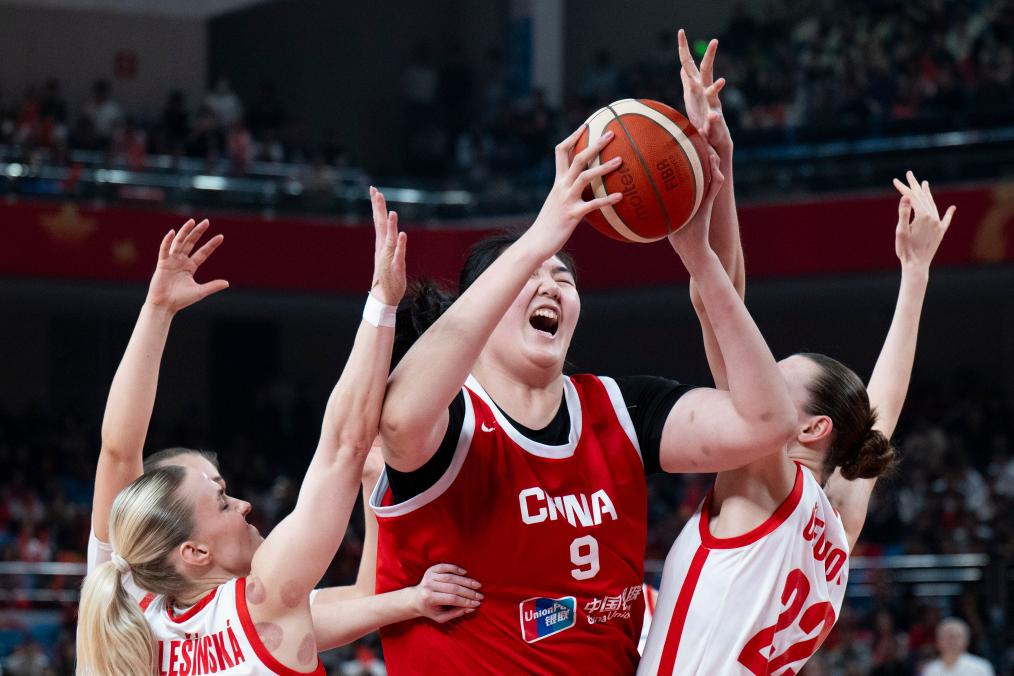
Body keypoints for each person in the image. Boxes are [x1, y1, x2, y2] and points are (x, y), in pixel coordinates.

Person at [372, 103, 800, 669]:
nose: (550, 286)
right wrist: (541, 235)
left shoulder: (620, 408)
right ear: (483, 305)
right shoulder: (451, 419)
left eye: (563, 277)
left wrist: (699, 253)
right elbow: (397, 419)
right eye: (528, 275)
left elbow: (767, 423)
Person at [637, 32, 955, 675]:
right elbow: (881, 409)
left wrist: (717, 176)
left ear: (810, 428)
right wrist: (915, 272)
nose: (753, 386)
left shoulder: (764, 472)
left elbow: (719, 302)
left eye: (774, 382)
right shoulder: (834, 526)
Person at [79, 197, 479, 674]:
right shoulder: (259, 603)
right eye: (223, 502)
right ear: (194, 552)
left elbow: (118, 451)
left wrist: (409, 600)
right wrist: (382, 304)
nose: (244, 505)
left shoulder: (131, 609)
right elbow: (342, 446)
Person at [922, 618, 995, 676]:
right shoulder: (930, 670)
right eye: (947, 636)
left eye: (956, 637)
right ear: (938, 641)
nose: (951, 641)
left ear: (966, 640)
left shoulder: (981, 667)